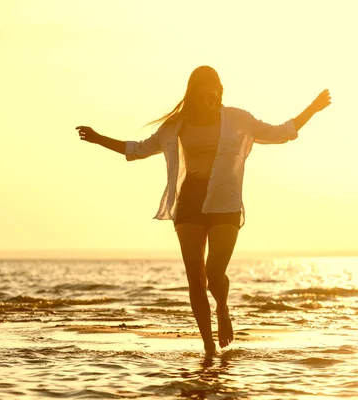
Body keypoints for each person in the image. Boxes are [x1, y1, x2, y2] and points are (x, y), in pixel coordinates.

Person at [76, 66, 331, 355]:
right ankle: (208, 344)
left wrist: (313, 109)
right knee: (195, 277)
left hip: (225, 203)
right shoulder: (176, 126)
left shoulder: (237, 119)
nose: (208, 100)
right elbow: (138, 149)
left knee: (214, 271)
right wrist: (99, 139)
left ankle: (222, 307)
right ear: (192, 94)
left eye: (213, 94)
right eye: (202, 95)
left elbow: (281, 133)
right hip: (189, 202)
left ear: (218, 92)